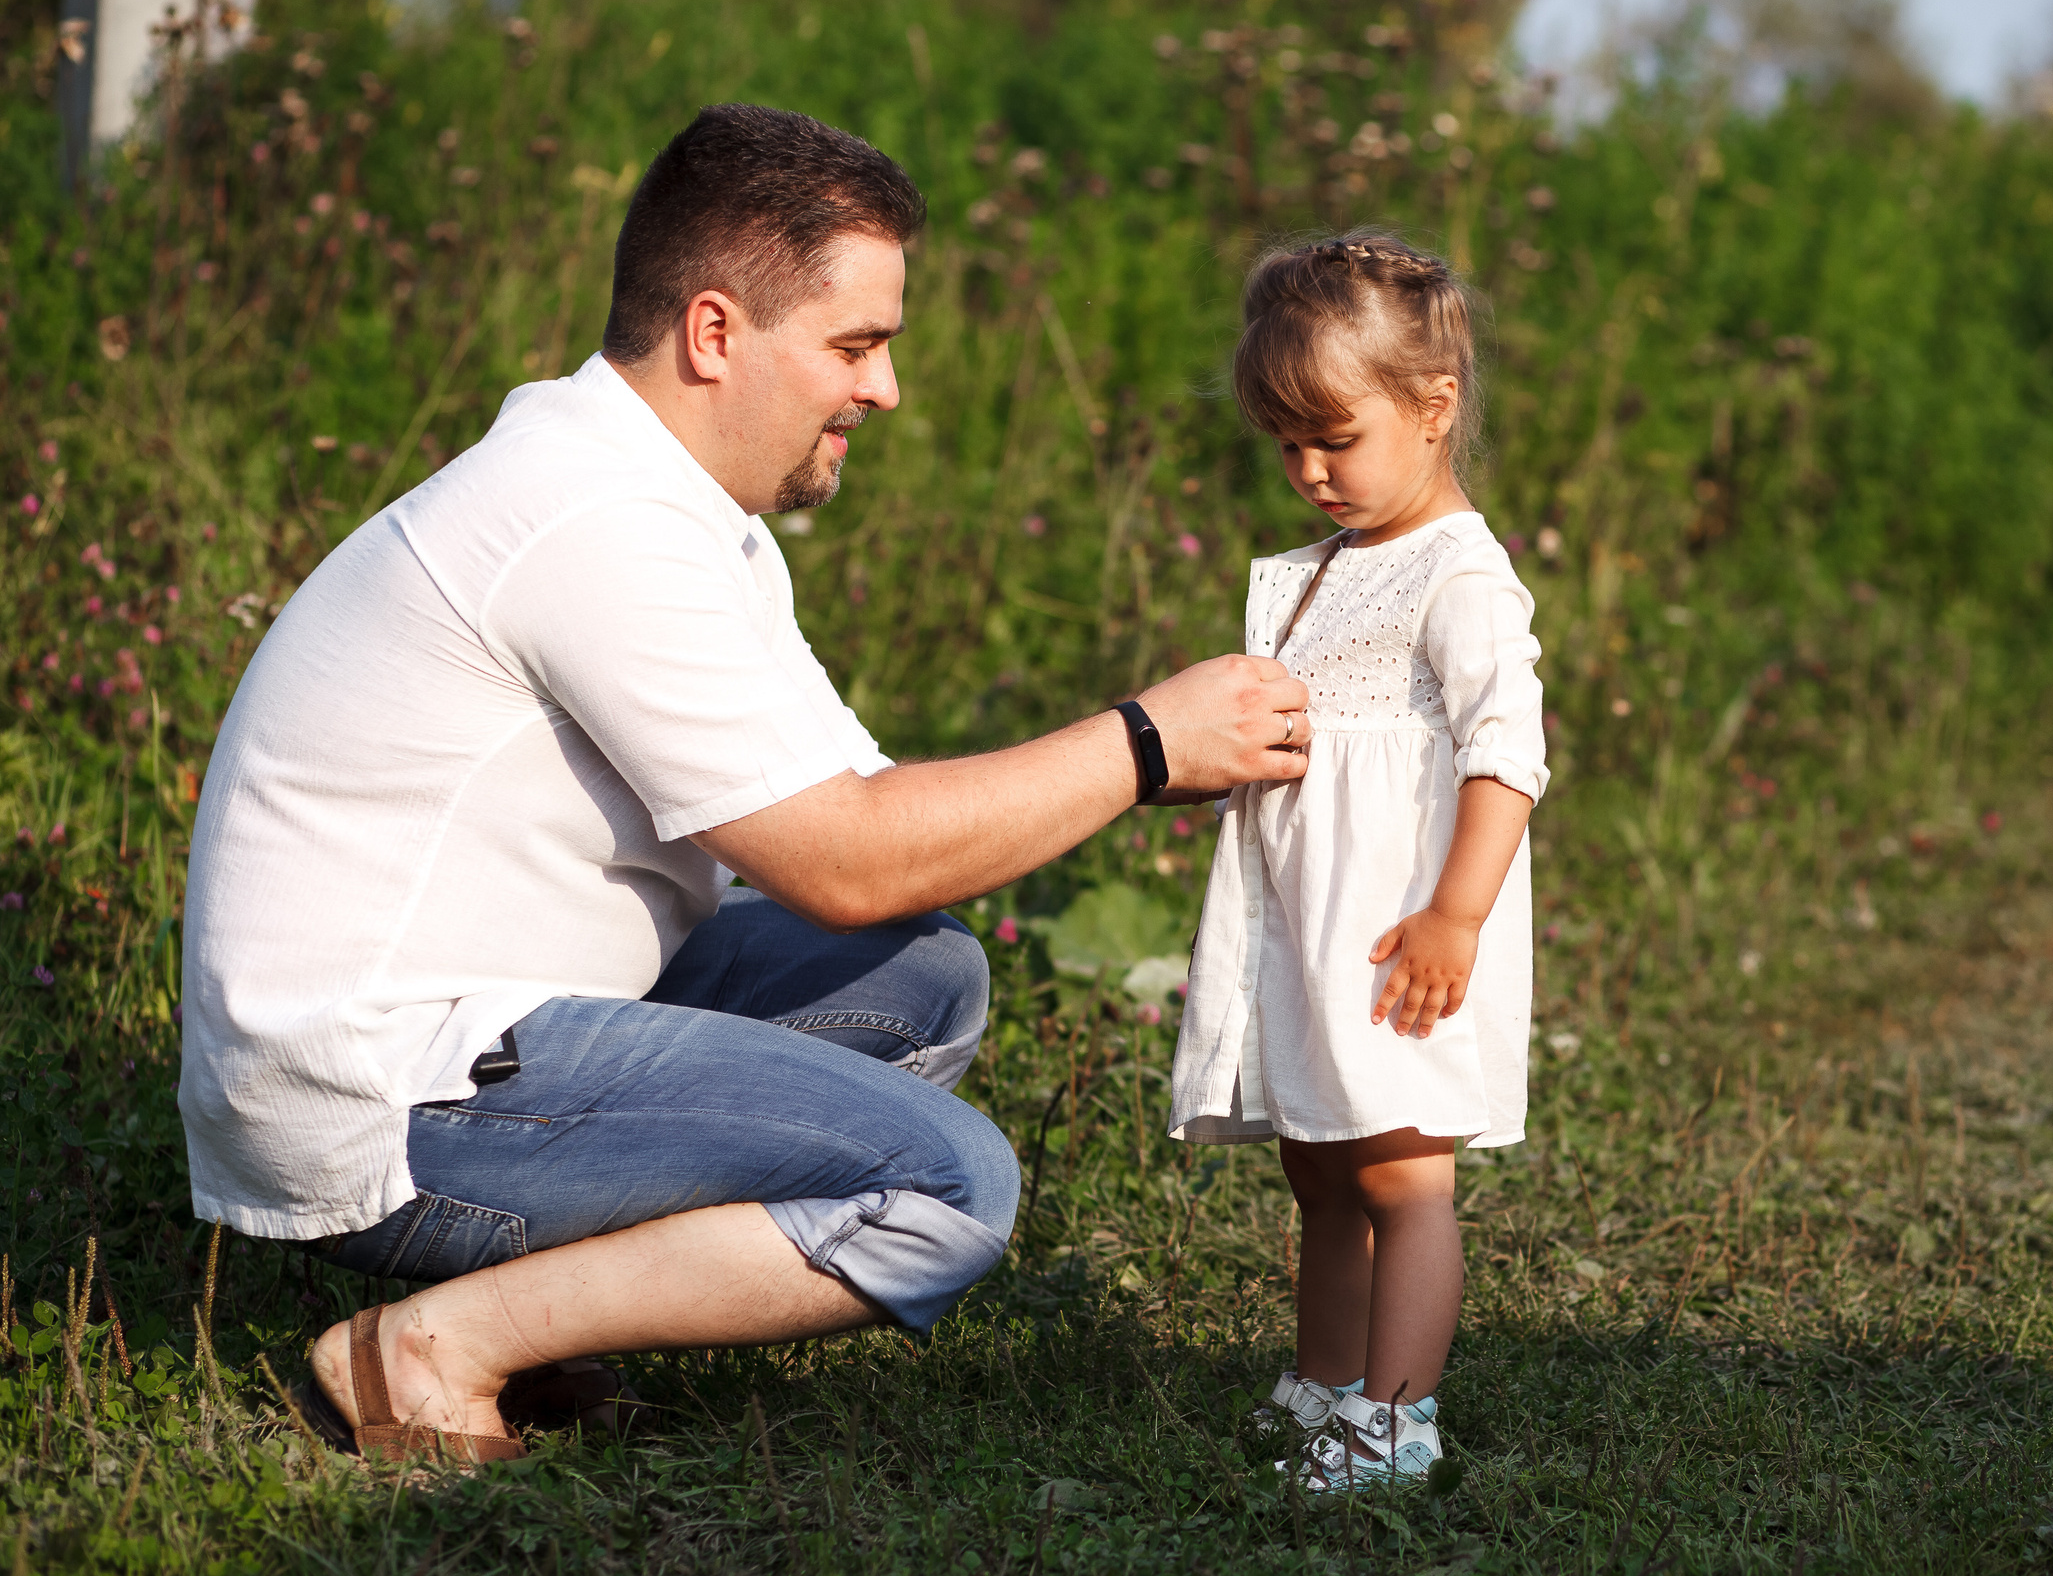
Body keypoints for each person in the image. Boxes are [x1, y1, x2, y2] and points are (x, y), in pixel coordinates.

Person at [176, 104, 1311, 1462]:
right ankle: (426, 1351)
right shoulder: (591, 521)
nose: (884, 388)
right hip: (371, 1091)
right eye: (855, 345)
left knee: (921, 973)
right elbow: (848, 854)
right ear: (715, 333)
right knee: (946, 1186)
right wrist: (1139, 743)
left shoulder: (674, 508)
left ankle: (539, 1323)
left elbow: (870, 826)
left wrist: (1153, 759)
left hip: (481, 1025)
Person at [1166, 231, 1547, 1491]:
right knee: (1317, 1160)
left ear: (1433, 408)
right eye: (1287, 445)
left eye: (1336, 438)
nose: (1310, 472)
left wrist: (1457, 915)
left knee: (1399, 1171)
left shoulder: (1461, 575)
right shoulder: (1323, 568)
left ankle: (1394, 1419)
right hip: (1308, 921)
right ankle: (1325, 1381)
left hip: (1397, 931)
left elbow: (1508, 757)